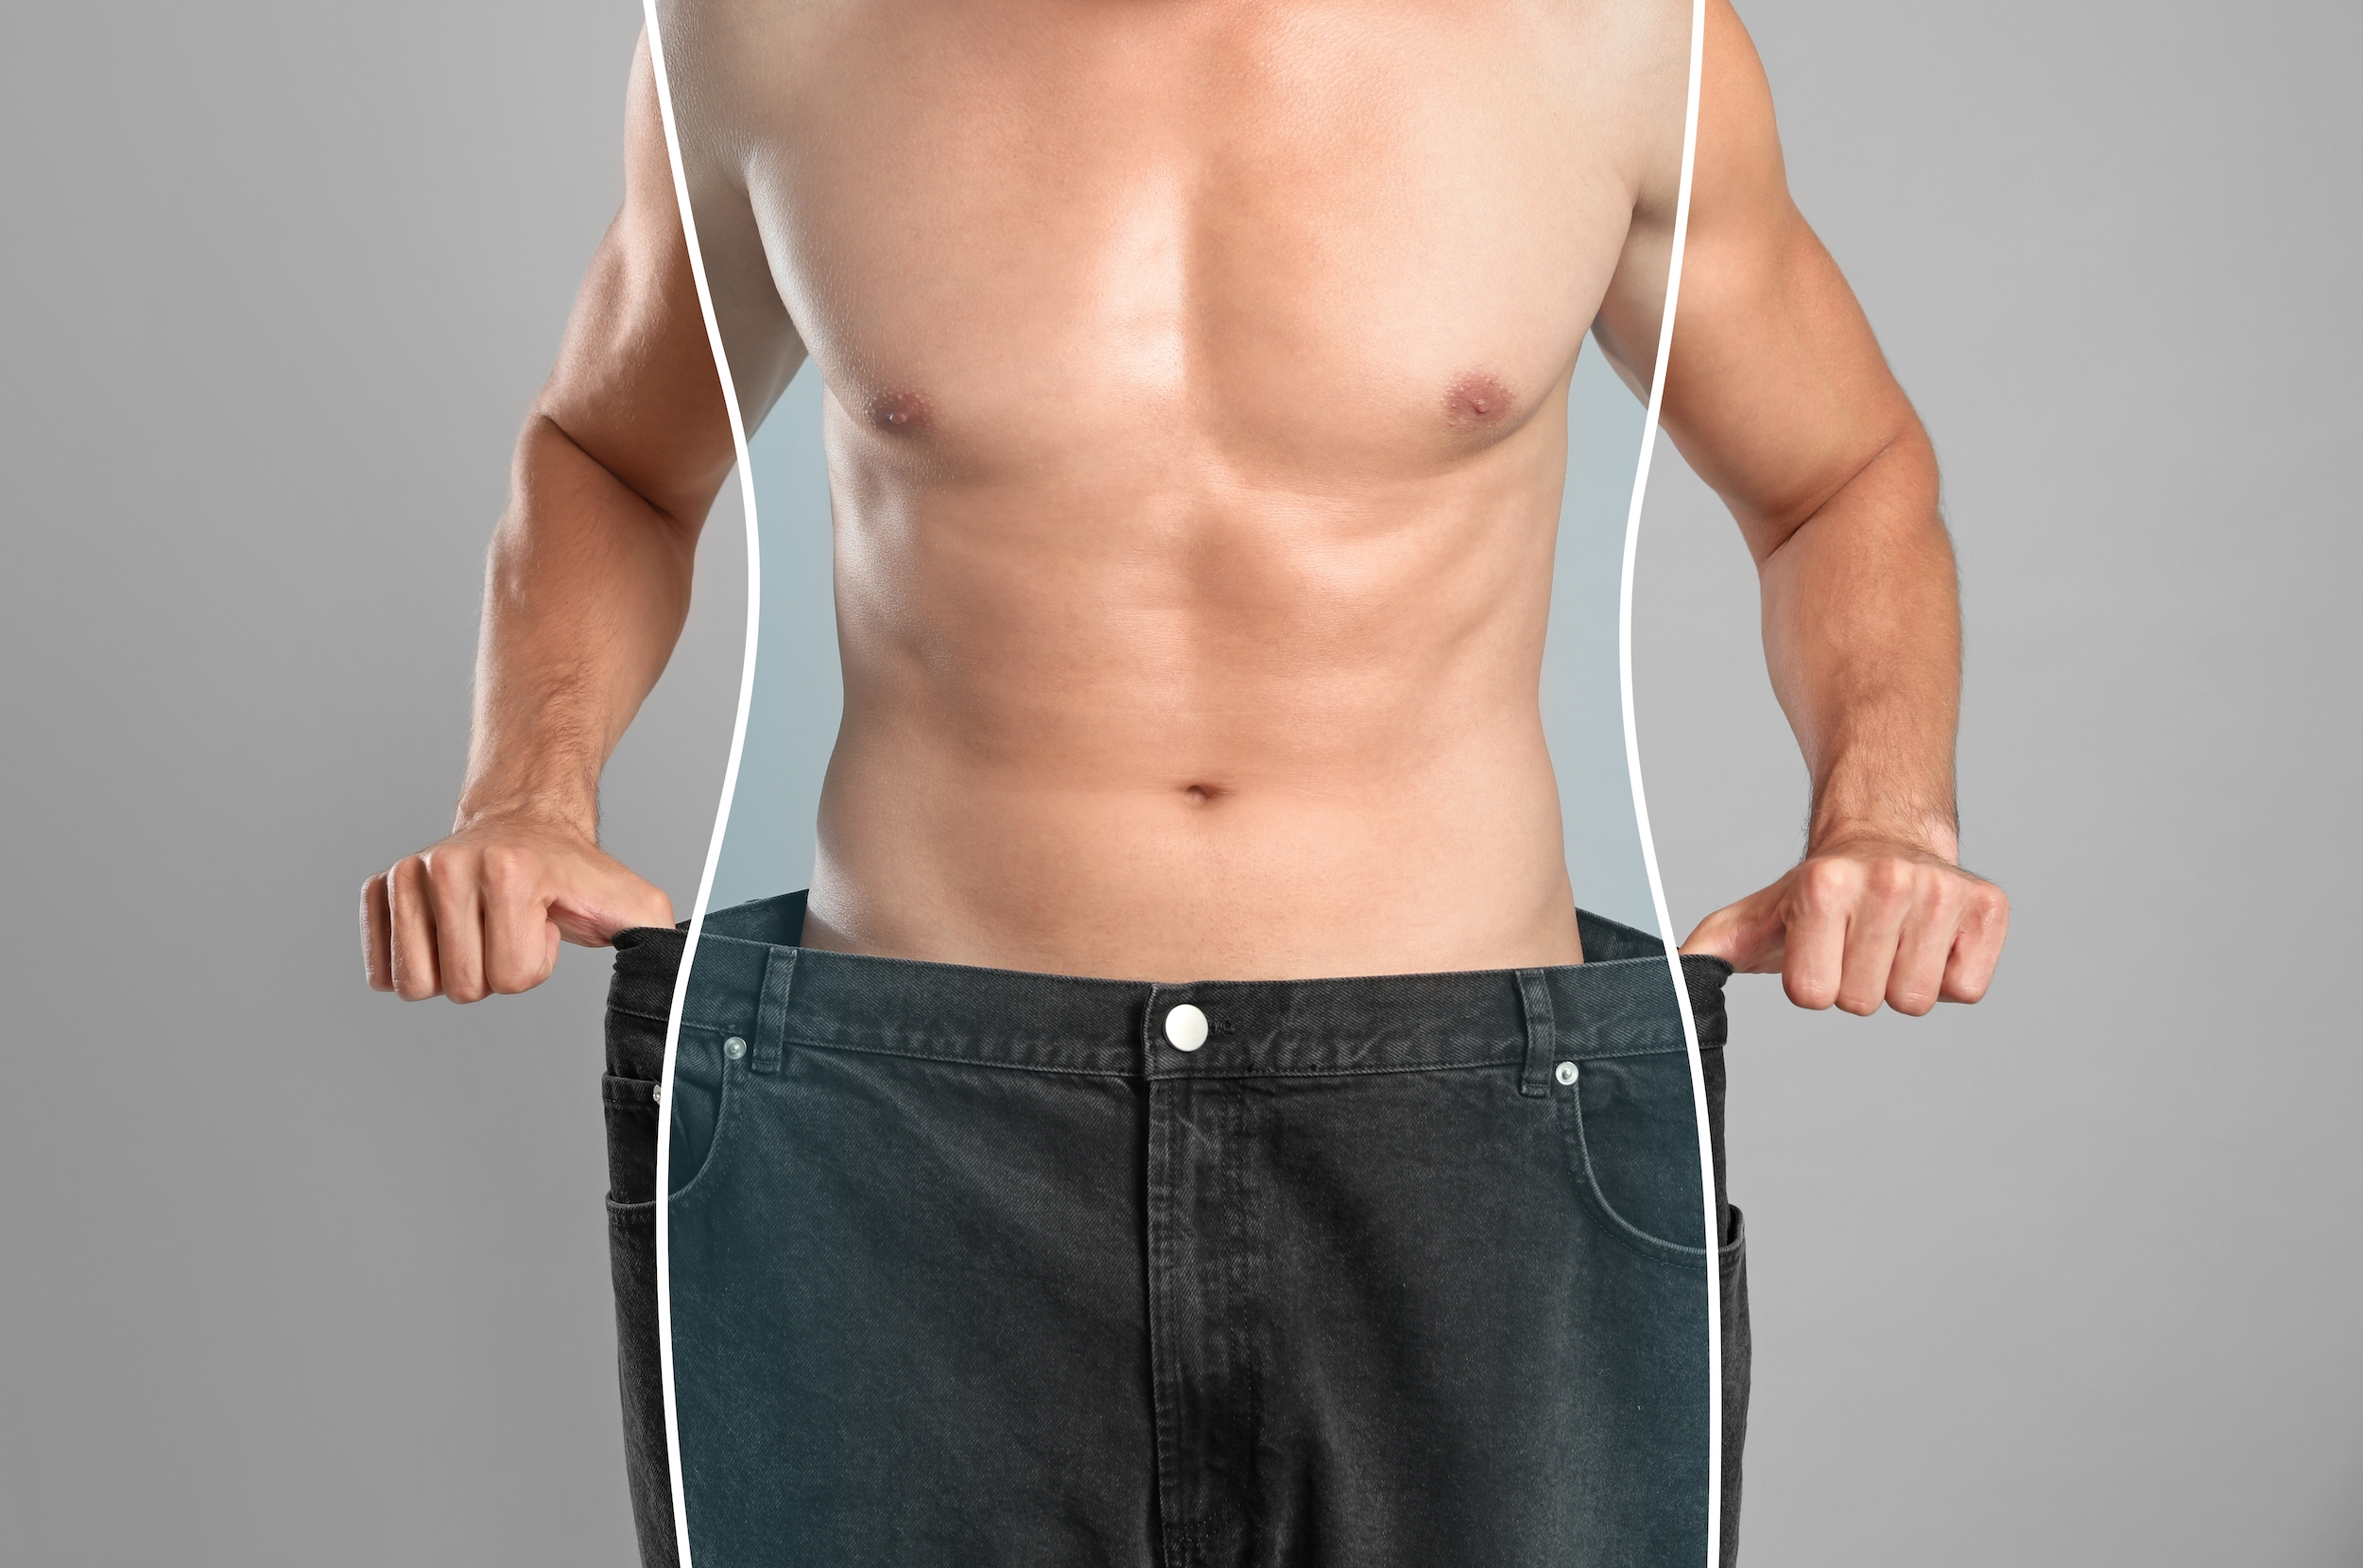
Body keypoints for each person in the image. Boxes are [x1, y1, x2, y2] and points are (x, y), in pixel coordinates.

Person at [363, 2, 2007, 1563]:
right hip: (917, 1130)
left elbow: (1840, 474)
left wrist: (1882, 809)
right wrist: (529, 786)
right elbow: (611, 459)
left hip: (1467, 1129)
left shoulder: (1605, 36)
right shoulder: (780, 32)